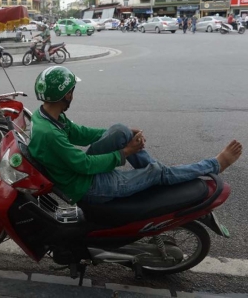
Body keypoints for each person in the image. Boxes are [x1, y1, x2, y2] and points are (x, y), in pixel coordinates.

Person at [28, 66, 242, 205]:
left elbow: (79, 133)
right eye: (73, 90)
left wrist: (122, 135)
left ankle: (159, 174)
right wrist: (125, 152)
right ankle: (211, 165)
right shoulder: (50, 134)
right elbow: (83, 165)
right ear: (67, 94)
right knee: (156, 171)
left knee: (120, 129)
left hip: (79, 174)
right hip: (87, 187)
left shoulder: (45, 115)